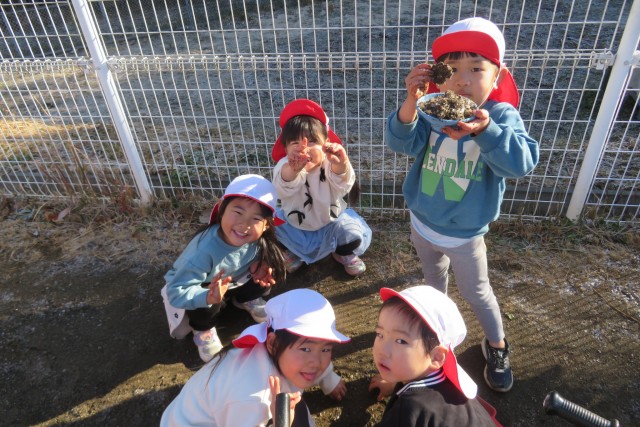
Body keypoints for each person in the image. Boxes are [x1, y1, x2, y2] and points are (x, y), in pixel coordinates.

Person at [384, 17, 540, 392]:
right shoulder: (432, 110)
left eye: (476, 69)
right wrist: (411, 100)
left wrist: (485, 131)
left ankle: (497, 345)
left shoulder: (500, 117)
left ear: (498, 75)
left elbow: (520, 164)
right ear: (439, 77)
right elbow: (400, 142)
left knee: (476, 293)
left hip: (466, 235)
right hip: (422, 222)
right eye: (451, 69)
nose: (462, 80)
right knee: (433, 280)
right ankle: (435, 330)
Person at [160, 288, 351, 427]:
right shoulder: (254, 401)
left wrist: (328, 378)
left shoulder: (269, 338)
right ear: (273, 343)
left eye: (326, 349)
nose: (317, 363)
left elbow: (314, 358)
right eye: (306, 349)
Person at [161, 174, 286, 362]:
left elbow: (262, 257)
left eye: (256, 219)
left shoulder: (259, 241)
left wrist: (261, 264)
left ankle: (245, 299)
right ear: (221, 208)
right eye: (238, 212)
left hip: (233, 281)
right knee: (206, 306)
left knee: (267, 274)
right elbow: (175, 291)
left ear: (267, 226)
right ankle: (203, 329)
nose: (244, 225)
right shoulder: (202, 251)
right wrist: (207, 296)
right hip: (205, 288)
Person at [369, 286, 501, 426]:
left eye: (401, 341)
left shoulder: (407, 410)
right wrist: (395, 381)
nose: (383, 350)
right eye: (380, 334)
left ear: (436, 357)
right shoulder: (446, 377)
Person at [271, 98, 372, 277]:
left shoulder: (329, 164)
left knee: (351, 230)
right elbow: (282, 186)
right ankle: (294, 252)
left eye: (312, 142)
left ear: (326, 142)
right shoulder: (284, 166)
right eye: (294, 143)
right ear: (285, 149)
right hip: (296, 226)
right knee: (271, 227)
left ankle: (343, 253)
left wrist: (341, 164)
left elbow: (343, 183)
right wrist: (293, 170)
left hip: (330, 224)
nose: (304, 149)